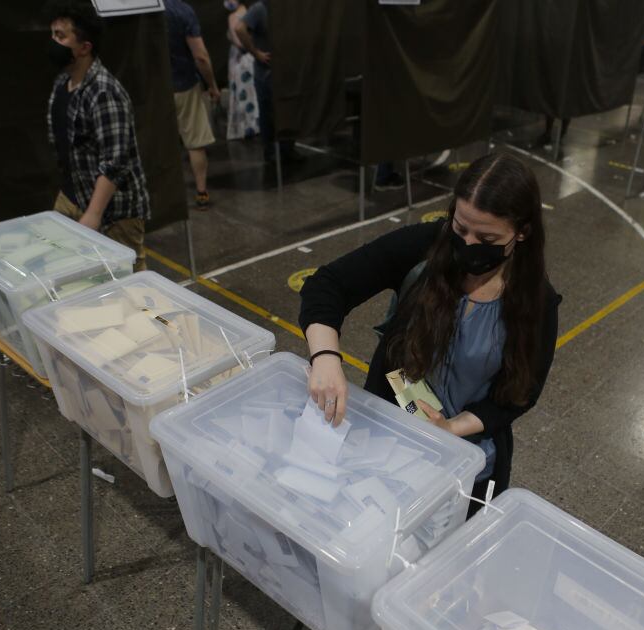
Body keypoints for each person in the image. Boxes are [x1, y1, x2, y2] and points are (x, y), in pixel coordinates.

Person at [299, 153, 562, 507]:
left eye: (486, 237)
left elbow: (521, 393)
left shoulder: (536, 301)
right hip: (391, 438)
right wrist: (326, 357)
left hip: (469, 465)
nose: (468, 244)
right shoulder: (424, 248)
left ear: (522, 233)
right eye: (460, 228)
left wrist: (451, 429)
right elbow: (326, 285)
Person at [45, 0, 150, 271]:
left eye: (61, 36)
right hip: (72, 198)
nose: (53, 42)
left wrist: (93, 215)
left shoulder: (104, 92)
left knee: (126, 286)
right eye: (52, 34)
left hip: (115, 214)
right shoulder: (62, 84)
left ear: (84, 47)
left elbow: (115, 162)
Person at [165, 0, 219, 211]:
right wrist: (213, 85)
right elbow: (201, 56)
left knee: (161, 146)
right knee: (195, 142)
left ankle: (164, 197)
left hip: (155, 89)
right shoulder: (183, 11)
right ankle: (201, 192)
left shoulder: (143, 10)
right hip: (184, 85)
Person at [235, 0, 300, 163]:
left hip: (286, 71)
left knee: (288, 110)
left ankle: (287, 149)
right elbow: (239, 29)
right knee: (268, 113)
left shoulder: (285, 9)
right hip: (266, 73)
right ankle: (270, 151)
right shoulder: (260, 8)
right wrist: (256, 53)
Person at [225, 1, 260, 141]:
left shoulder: (233, 17)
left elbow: (239, 42)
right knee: (253, 92)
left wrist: (231, 38)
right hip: (253, 57)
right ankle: (256, 124)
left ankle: (246, 127)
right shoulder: (251, 11)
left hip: (241, 60)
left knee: (242, 94)